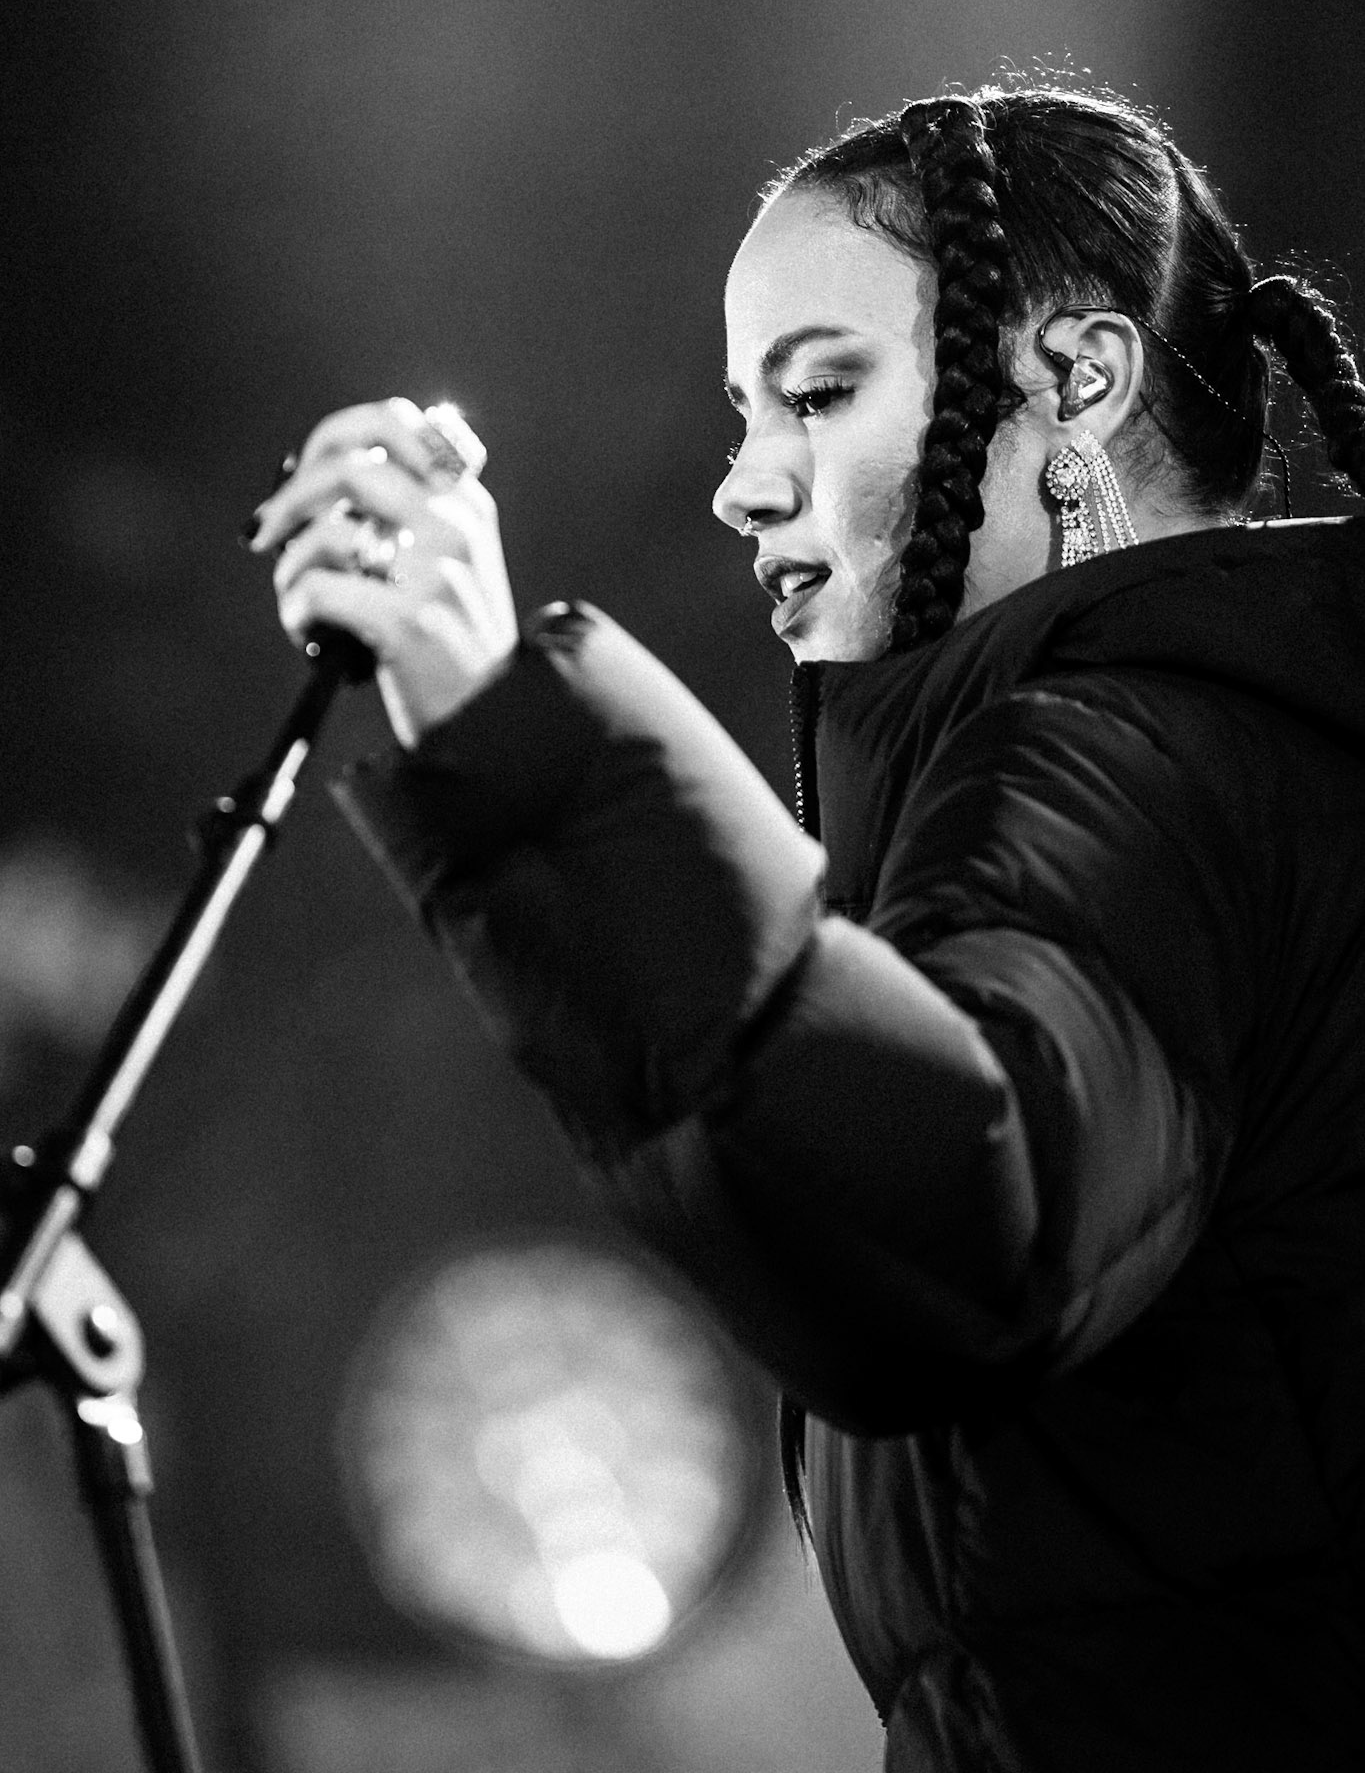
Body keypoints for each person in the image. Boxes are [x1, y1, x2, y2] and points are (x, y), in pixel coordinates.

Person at [248, 85, 1365, 1771]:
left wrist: (514, 725)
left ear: (1076, 380)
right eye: (741, 412)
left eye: (822, 392)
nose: (743, 489)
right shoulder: (1222, 747)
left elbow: (971, 1209)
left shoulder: (1142, 745)